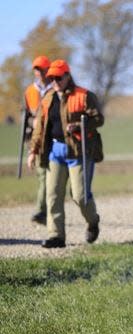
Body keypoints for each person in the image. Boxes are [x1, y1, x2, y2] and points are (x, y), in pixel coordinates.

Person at [27, 59, 104, 248]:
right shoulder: (47, 99)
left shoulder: (85, 96)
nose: (55, 82)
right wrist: (33, 151)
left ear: (68, 76)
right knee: (52, 194)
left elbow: (98, 119)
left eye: (59, 78)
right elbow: (40, 128)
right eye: (52, 78)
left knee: (80, 196)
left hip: (78, 151)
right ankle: (56, 236)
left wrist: (79, 125)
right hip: (55, 151)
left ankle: (93, 222)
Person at [24, 55, 53, 225]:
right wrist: (31, 122)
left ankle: (44, 210)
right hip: (37, 139)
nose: (39, 73)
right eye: (37, 69)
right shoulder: (29, 91)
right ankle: (42, 211)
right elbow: (26, 115)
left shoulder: (55, 89)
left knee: (50, 176)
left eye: (42, 69)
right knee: (43, 175)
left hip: (53, 138)